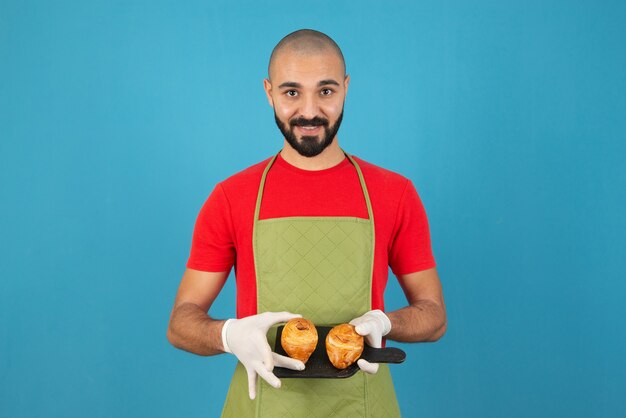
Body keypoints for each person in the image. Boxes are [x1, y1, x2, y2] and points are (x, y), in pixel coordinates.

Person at [166, 29, 447, 417]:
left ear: (346, 89)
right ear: (269, 92)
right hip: (263, 407)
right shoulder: (231, 197)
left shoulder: (393, 193)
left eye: (326, 91)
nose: (310, 111)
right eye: (292, 92)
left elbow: (433, 315)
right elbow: (181, 322)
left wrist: (386, 322)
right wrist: (229, 335)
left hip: (363, 406)